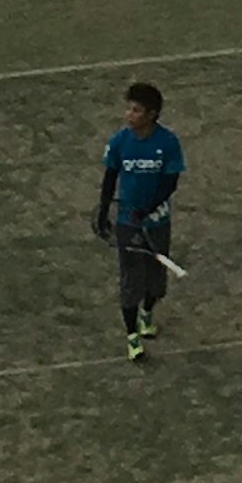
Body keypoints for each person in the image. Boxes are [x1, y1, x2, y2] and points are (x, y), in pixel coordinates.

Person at [94, 80, 184, 361]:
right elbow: (110, 178)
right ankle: (132, 336)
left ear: (151, 115)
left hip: (157, 222)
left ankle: (147, 312)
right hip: (127, 223)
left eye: (136, 110)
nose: (128, 115)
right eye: (129, 109)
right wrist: (103, 212)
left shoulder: (167, 143)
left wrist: (147, 210)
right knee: (131, 280)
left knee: (156, 283)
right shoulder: (120, 141)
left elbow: (170, 183)